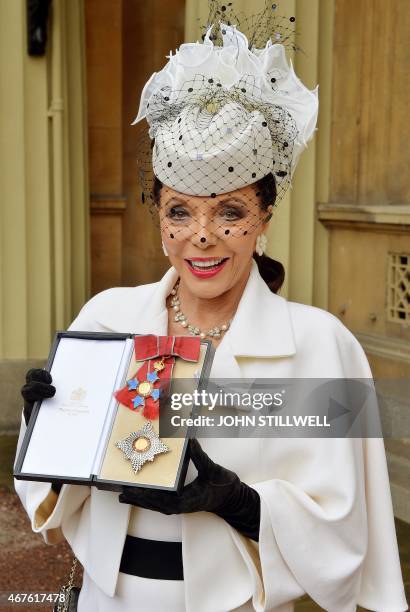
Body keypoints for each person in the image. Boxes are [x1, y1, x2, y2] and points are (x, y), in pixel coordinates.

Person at [14, 10, 408, 612]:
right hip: (105, 598)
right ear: (157, 215)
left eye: (229, 213)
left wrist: (238, 502)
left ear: (265, 218)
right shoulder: (106, 322)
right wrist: (45, 426)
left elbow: (344, 525)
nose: (202, 237)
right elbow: (54, 491)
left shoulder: (321, 347)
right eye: (179, 212)